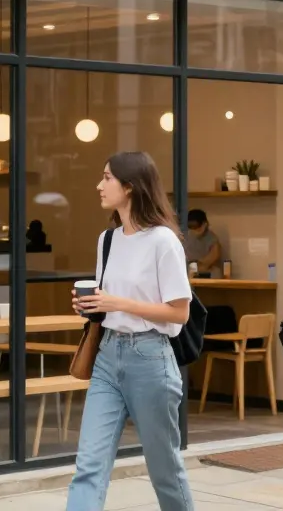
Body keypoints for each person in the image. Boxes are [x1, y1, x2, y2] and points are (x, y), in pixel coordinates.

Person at [67, 151, 193, 511]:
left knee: (164, 468)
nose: (99, 185)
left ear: (130, 186)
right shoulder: (107, 240)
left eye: (106, 178)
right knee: (88, 465)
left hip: (150, 358)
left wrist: (116, 303)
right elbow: (107, 301)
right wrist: (90, 305)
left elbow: (179, 312)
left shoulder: (163, 241)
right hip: (107, 356)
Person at [184, 209, 222, 277]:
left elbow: (213, 256)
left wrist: (200, 265)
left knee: (216, 272)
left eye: (196, 227)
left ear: (204, 224)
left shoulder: (212, 239)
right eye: (190, 227)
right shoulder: (185, 236)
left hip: (205, 269)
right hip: (188, 269)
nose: (194, 230)